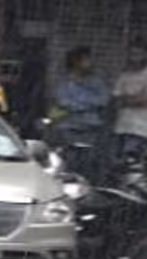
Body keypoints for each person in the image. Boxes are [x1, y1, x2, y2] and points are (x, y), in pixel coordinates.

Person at [51, 47, 111, 180]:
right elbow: (63, 101)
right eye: (86, 60)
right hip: (68, 126)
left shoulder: (96, 81)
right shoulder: (65, 82)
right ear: (76, 62)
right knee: (67, 159)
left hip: (90, 127)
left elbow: (103, 100)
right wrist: (87, 104)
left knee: (88, 161)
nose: (90, 63)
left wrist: (78, 104)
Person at [113, 40, 147, 161]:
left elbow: (145, 100)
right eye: (131, 54)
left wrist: (127, 98)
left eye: (138, 54)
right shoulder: (125, 75)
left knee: (133, 165)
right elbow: (116, 99)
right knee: (119, 165)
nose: (134, 58)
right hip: (122, 127)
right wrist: (136, 96)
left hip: (142, 129)